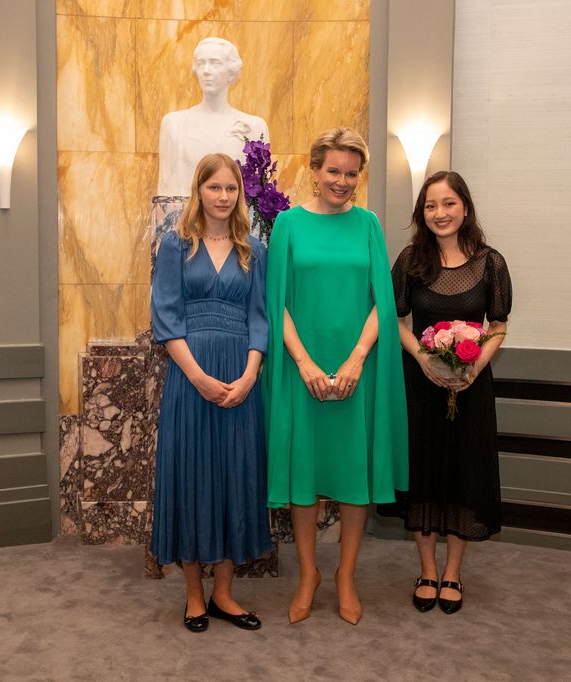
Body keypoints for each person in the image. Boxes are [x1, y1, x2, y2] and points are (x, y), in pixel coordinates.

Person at [264, 128, 409, 626]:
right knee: (304, 477)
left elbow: (381, 305)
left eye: (351, 173)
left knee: (351, 478)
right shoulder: (286, 224)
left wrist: (355, 361)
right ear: (315, 169)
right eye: (334, 171)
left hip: (355, 373)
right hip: (300, 370)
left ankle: (346, 575)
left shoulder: (368, 225)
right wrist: (304, 363)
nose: (342, 181)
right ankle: (309, 574)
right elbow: (275, 303)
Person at [149, 153, 271, 633]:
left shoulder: (253, 249)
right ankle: (194, 595)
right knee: (194, 476)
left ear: (240, 194)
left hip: (240, 377)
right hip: (189, 377)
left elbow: (260, 318)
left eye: (231, 189)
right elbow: (166, 317)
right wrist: (198, 376)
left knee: (234, 477)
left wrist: (249, 376)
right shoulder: (175, 245)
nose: (223, 197)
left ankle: (224, 592)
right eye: (214, 187)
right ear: (198, 190)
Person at [384, 170, 512, 614]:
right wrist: (423, 358)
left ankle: (453, 572)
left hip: (470, 388)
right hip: (421, 386)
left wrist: (474, 366)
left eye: (448, 204)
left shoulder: (490, 262)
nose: (440, 213)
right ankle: (426, 569)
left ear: (465, 207)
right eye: (431, 205)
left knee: (463, 475)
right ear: (423, 212)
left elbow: (498, 326)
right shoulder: (410, 260)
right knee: (424, 474)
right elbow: (396, 321)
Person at [157, 37, 269, 197]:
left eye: (215, 63)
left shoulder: (254, 127)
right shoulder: (174, 124)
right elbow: (166, 192)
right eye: (201, 63)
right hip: (186, 220)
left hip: (236, 221)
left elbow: (260, 194)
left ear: (231, 71)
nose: (206, 70)